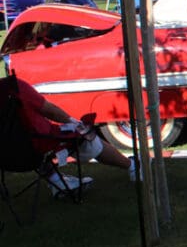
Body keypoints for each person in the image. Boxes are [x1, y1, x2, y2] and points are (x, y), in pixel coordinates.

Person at [3, 76, 135, 194]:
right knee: (82, 134)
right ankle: (131, 165)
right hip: (36, 146)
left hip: (7, 159)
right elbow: (51, 111)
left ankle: (56, 180)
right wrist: (74, 123)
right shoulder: (12, 87)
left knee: (24, 139)